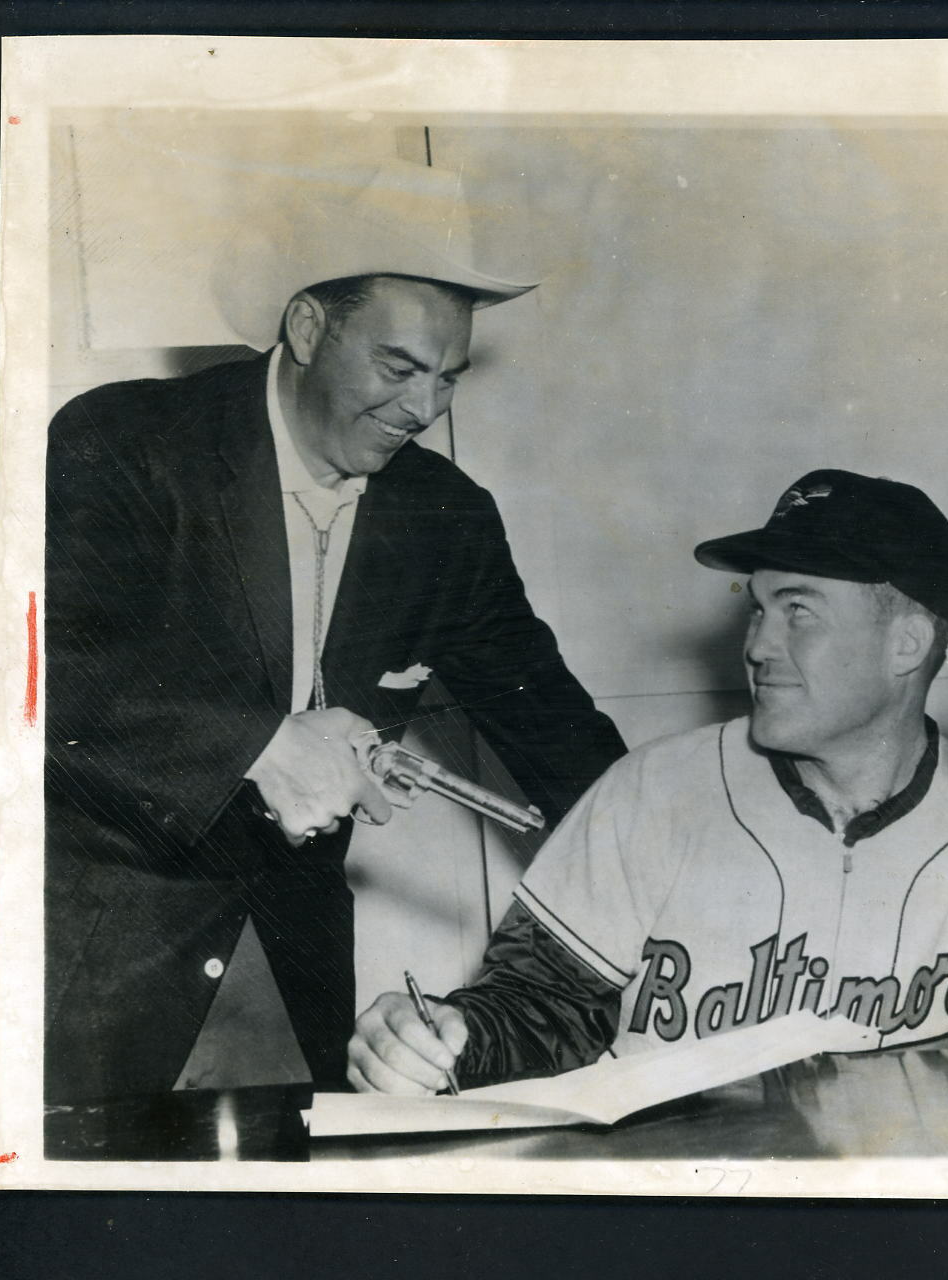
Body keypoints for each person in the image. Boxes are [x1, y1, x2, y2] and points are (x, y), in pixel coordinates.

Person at [45, 161, 626, 1104]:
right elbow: (30, 677)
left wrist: (673, 835)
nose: (423, 409)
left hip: (299, 969)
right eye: (397, 368)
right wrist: (258, 744)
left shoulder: (446, 515)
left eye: (446, 377)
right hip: (96, 969)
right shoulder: (125, 442)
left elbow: (546, 717)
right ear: (309, 328)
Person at [348, 469, 948, 1094]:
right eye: (756, 606)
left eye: (797, 610)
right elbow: (539, 1006)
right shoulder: (651, 790)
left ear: (906, 643)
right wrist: (442, 1036)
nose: (756, 644)